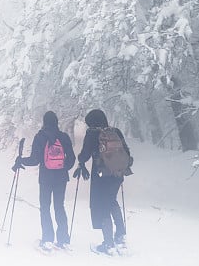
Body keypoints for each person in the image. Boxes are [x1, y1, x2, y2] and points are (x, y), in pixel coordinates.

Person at [13, 110, 76, 252]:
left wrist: (21, 160)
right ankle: (63, 239)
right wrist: (63, 167)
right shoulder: (64, 137)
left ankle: (47, 239)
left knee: (45, 207)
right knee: (59, 206)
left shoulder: (40, 137)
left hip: (46, 178)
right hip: (61, 178)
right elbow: (72, 159)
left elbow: (35, 160)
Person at [74, 108, 133, 255]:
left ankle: (108, 243)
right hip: (117, 174)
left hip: (101, 176)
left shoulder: (92, 134)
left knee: (103, 205)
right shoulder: (116, 131)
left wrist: (81, 163)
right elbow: (127, 153)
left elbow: (84, 155)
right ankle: (120, 235)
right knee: (112, 200)